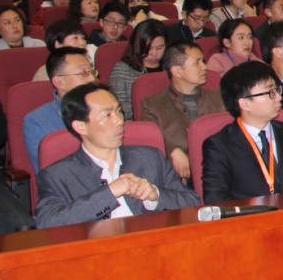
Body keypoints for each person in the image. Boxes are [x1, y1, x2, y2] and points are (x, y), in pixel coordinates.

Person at [35, 83, 200, 228]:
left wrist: (155, 195)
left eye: (119, 111)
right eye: (107, 115)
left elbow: (192, 202)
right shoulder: (58, 175)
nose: (119, 121)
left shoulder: (149, 158)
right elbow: (47, 223)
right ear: (80, 126)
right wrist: (109, 193)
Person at [202, 61, 283, 201]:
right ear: (245, 103)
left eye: (277, 90)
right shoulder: (219, 145)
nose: (279, 97)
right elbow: (215, 199)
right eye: (271, 92)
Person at [140, 42, 225, 181]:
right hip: (179, 178)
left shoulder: (219, 98)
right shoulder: (153, 105)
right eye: (197, 62)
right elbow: (149, 141)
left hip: (221, 170)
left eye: (203, 61)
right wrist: (172, 150)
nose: (204, 67)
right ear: (177, 71)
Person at [23, 47, 99, 172]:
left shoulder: (107, 108)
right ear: (59, 82)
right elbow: (50, 173)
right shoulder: (37, 121)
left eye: (92, 72)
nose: (92, 79)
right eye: (83, 73)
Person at [108, 19, 166, 117]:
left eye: (159, 48)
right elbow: (120, 111)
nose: (154, 53)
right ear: (138, 45)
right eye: (148, 48)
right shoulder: (121, 71)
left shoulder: (172, 68)